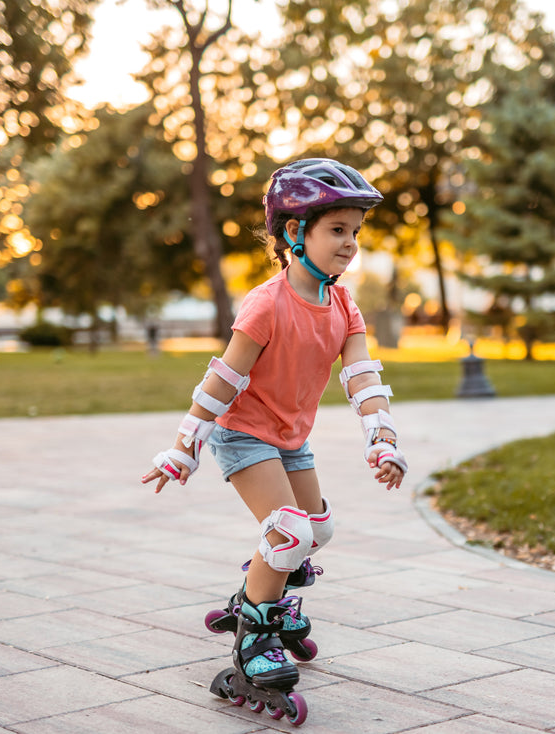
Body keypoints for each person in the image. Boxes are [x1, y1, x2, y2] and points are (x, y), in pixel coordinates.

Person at [141, 159, 408, 724]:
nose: (351, 244)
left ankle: (256, 596)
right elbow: (224, 379)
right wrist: (184, 446)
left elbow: (361, 375)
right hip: (243, 436)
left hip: (290, 439)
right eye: (337, 230)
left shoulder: (342, 305)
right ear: (294, 233)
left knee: (319, 530)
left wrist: (381, 437)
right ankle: (252, 642)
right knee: (288, 533)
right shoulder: (267, 303)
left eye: (355, 231)